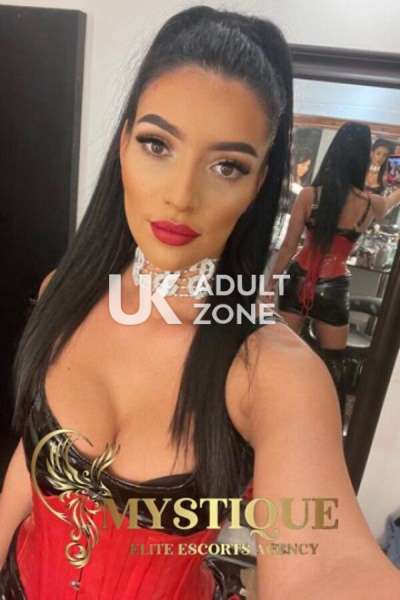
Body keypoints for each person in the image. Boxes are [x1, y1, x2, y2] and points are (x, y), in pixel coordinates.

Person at [0, 7, 400, 599]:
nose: (181, 196)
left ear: (258, 184)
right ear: (123, 145)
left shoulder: (274, 374)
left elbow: (326, 570)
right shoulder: (64, 292)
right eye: (157, 144)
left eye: (227, 165)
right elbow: (33, 457)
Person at [268, 122, 400, 422]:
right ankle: (329, 423)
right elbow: (393, 200)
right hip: (334, 287)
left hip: (298, 279)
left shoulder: (309, 195)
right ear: (363, 158)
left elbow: (288, 246)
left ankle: (273, 413)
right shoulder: (371, 204)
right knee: (333, 364)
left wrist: (268, 287)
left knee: (280, 353)